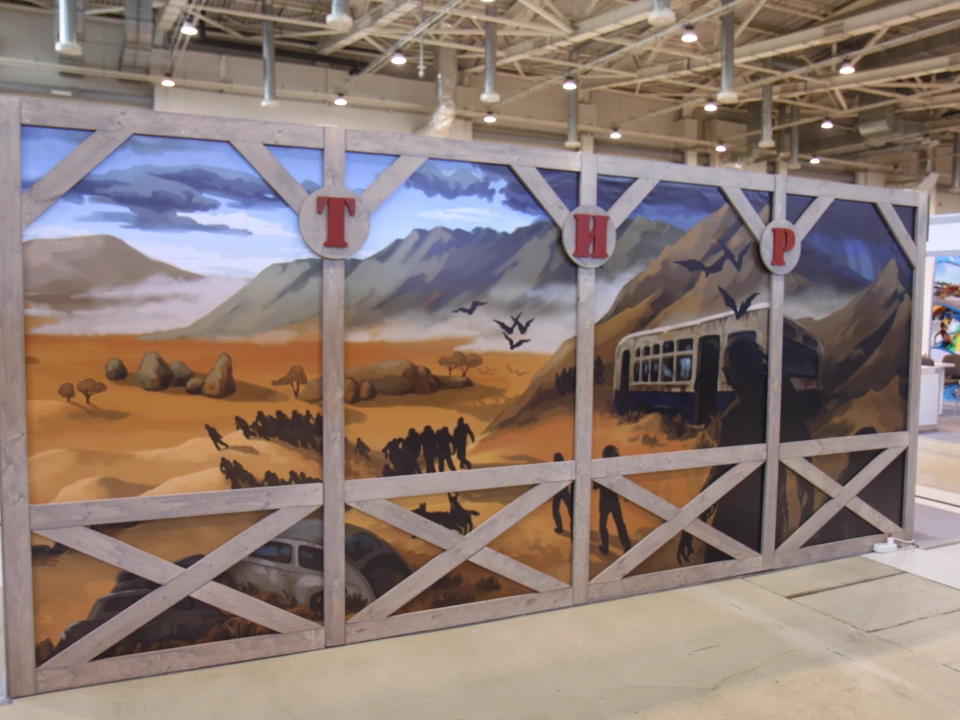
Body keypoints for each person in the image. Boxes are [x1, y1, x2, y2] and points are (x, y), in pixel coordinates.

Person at [595, 445, 632, 555]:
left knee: (603, 525)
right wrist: (626, 495)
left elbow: (595, 486)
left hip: (604, 501)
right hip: (614, 500)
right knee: (620, 524)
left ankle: (605, 547)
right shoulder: (617, 469)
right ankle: (627, 546)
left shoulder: (602, 469)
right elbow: (622, 483)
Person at [551, 452, 574, 535]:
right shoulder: (566, 467)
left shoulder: (554, 469)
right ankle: (574, 527)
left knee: (555, 510)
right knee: (570, 510)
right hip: (565, 491)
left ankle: (559, 527)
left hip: (558, 491)